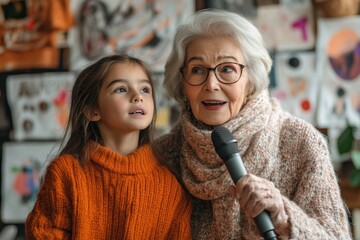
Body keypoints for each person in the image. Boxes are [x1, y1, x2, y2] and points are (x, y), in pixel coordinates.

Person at [154, 9, 352, 239]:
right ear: (182, 83)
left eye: (227, 69)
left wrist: (284, 218)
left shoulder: (300, 142)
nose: (211, 84)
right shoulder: (164, 155)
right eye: (197, 70)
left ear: (251, 80)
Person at [25, 55, 192, 239]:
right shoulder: (65, 173)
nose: (137, 97)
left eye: (145, 89)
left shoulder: (170, 186)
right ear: (92, 111)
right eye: (121, 89)